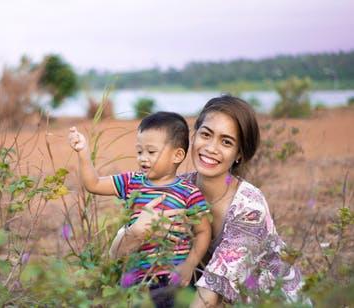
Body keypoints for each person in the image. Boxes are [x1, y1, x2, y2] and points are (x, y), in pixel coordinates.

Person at [110, 96, 307, 306]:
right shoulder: (178, 188)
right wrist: (135, 232)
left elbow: (210, 294)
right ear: (193, 137)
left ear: (238, 154)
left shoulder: (249, 207)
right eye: (206, 134)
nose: (211, 148)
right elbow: (116, 256)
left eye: (226, 142)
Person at [68, 112, 212, 306]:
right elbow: (93, 184)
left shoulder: (189, 192)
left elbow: (203, 231)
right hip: (135, 279)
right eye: (139, 151)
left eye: (151, 152)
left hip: (172, 279)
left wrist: (190, 264)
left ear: (177, 155)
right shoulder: (132, 182)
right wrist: (83, 153)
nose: (143, 158)